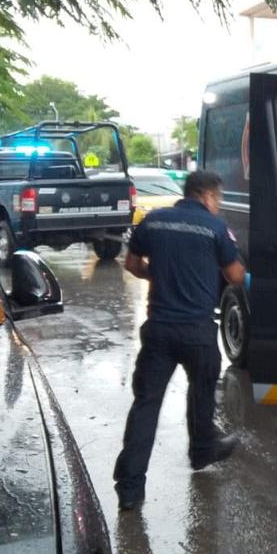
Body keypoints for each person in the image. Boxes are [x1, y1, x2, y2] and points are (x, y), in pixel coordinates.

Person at [114, 169, 245, 512]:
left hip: (159, 329)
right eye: (217, 199)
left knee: (146, 404)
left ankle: (129, 488)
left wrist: (155, 272)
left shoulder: (153, 221)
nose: (217, 206)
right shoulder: (216, 228)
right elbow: (235, 276)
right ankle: (202, 452)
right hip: (197, 331)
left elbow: (131, 264)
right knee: (201, 392)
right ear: (207, 196)